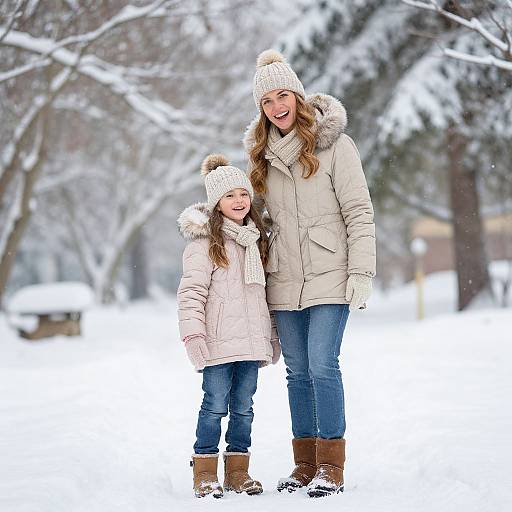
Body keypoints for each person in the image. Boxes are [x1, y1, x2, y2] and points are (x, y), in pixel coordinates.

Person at [244, 49, 376, 498]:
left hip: (330, 272)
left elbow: (358, 211)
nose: (277, 106)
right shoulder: (261, 158)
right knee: (297, 371)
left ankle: (331, 468)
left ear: (298, 97)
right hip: (284, 277)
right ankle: (304, 465)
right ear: (261, 109)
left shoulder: (336, 145)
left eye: (283, 95)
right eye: (267, 101)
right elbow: (254, 220)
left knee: (323, 364)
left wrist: (361, 270)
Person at [177, 153, 281, 498]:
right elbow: (191, 293)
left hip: (251, 343)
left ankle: (238, 471)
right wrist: (193, 334)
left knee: (244, 407)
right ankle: (205, 468)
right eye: (229, 195)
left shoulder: (257, 241)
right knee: (214, 404)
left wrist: (272, 337)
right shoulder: (205, 245)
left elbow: (265, 296)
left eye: (243, 194)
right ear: (216, 203)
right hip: (218, 342)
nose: (238, 201)